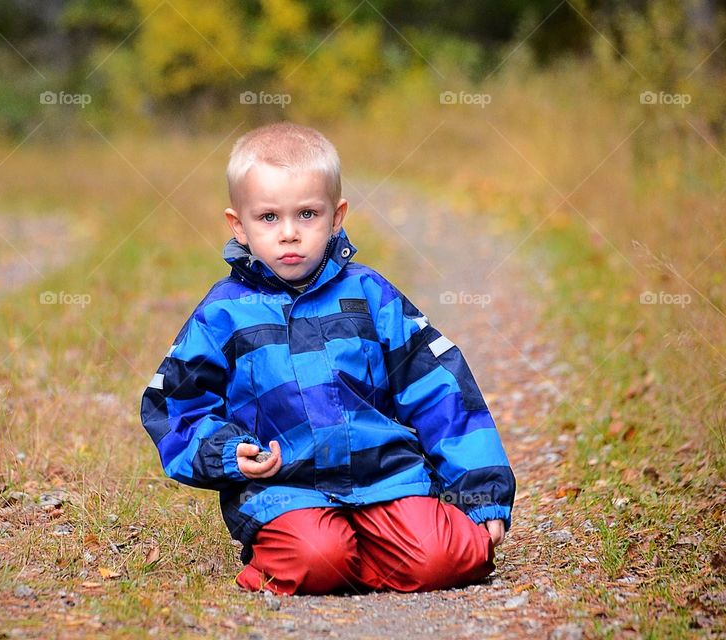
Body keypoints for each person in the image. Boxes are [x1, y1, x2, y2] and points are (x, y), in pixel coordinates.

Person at [139, 121, 515, 596]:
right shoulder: (222, 314)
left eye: (308, 214)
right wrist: (226, 451)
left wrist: (480, 492)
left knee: (454, 558)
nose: (290, 234)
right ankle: (326, 554)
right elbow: (174, 403)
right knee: (318, 559)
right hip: (284, 488)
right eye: (269, 218)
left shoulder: (369, 294)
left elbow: (440, 389)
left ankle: (374, 548)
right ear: (239, 225)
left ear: (336, 217)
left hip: (385, 478)